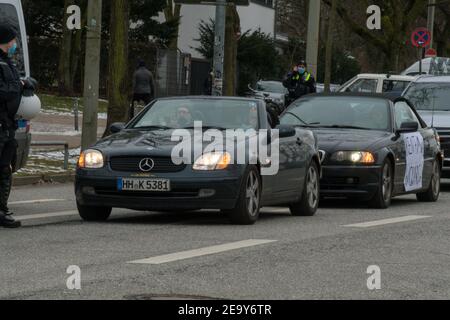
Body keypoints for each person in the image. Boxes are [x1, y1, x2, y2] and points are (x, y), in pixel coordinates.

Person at [0, 22, 33, 228]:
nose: (15, 44)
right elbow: (4, 91)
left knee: (5, 168)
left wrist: (25, 83)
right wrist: (18, 85)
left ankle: (2, 210)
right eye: (13, 40)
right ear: (5, 41)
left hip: (7, 125)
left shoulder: (7, 62)